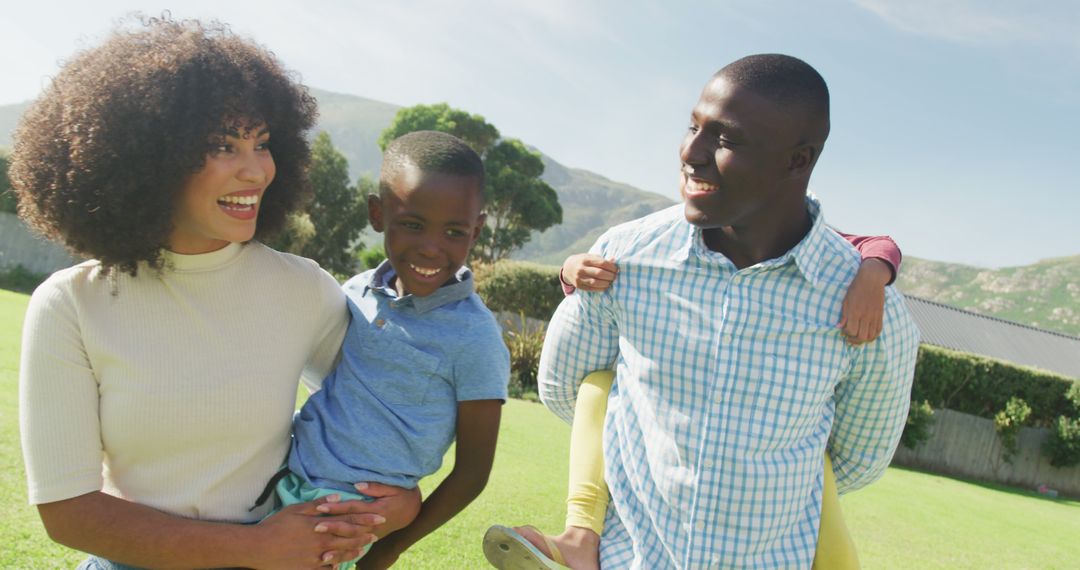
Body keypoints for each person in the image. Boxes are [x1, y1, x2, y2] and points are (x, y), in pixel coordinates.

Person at [13, 17, 420, 569]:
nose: (256, 170)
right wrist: (254, 548)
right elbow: (68, 511)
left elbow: (384, 405)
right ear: (147, 156)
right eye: (222, 145)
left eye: (262, 142)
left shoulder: (302, 288)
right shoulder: (71, 303)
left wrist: (396, 498)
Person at [499, 54, 920, 569]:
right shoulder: (622, 258)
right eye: (694, 127)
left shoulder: (869, 308)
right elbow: (568, 386)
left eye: (726, 140)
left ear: (798, 160)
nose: (690, 153)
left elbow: (856, 461)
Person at [485, 231, 899, 570]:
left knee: (816, 455)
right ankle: (578, 537)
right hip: (663, 436)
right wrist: (569, 270)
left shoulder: (813, 249)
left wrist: (872, 274)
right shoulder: (669, 246)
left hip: (782, 456)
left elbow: (881, 244)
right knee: (599, 384)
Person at [258, 130, 509, 569]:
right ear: (378, 213)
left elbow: (472, 473)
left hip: (346, 518)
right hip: (272, 483)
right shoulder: (354, 293)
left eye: (455, 231)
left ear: (477, 229)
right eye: (412, 224)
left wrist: (392, 545)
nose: (432, 247)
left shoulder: (476, 338)